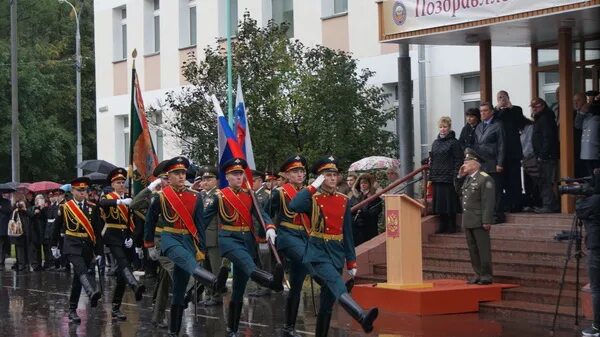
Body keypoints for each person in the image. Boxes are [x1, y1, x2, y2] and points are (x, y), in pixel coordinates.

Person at [289, 155, 378, 336]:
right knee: (337, 283)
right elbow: (294, 205)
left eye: (334, 175)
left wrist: (351, 261)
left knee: (327, 303)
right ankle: (361, 315)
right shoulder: (312, 198)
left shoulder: (343, 199)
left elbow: (347, 232)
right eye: (327, 175)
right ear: (321, 177)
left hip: (336, 252)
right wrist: (313, 186)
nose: (331, 178)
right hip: (318, 252)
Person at [203, 157, 284, 337]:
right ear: (227, 176)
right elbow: (204, 219)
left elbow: (261, 214)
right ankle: (272, 281)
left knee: (239, 288)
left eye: (240, 174)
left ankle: (232, 329)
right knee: (249, 266)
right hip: (229, 239)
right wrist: (194, 239)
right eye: (234, 174)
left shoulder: (250, 195)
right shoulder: (220, 196)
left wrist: (269, 227)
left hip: (247, 239)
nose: (238, 177)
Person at [145, 156, 220, 337]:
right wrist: (149, 245)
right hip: (169, 238)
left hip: (188, 240)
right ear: (168, 176)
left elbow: (200, 224)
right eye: (176, 173)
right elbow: (150, 222)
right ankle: (211, 280)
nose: (180, 176)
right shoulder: (160, 197)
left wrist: (201, 248)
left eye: (183, 173)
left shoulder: (195, 197)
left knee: (178, 291)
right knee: (184, 260)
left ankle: (173, 331)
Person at [269, 155, 312, 336]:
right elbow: (265, 213)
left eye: (301, 170)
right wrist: (270, 227)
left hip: (305, 236)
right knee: (305, 260)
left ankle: (289, 326)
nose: (300, 174)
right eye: (295, 171)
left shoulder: (310, 193)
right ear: (287, 174)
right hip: (287, 235)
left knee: (296, 285)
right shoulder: (280, 192)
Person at [51, 177, 103, 323]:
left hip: (87, 246)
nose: (82, 193)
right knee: (80, 270)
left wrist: (98, 251)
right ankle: (91, 292)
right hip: (71, 244)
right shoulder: (65, 207)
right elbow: (56, 228)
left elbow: (97, 231)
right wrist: (54, 246)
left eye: (84, 190)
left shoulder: (93, 207)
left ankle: (72, 310)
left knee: (78, 279)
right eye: (79, 190)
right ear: (72, 191)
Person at [98, 167, 146, 320]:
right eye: (118, 182)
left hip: (126, 236)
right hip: (112, 235)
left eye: (123, 182)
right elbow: (103, 203)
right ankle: (134, 285)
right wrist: (119, 201)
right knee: (122, 261)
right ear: (112, 184)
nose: (121, 185)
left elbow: (136, 221)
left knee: (120, 275)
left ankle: (116, 308)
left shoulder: (130, 198)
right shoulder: (109, 197)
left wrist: (132, 236)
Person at [456, 148, 495, 285]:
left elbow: (488, 202)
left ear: (475, 164)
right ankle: (478, 273)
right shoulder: (467, 179)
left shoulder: (485, 178)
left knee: (482, 249)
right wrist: (459, 176)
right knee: (473, 249)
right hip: (468, 220)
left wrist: (486, 220)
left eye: (467, 162)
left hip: (479, 220)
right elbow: (457, 192)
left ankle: (486, 275)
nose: (464, 165)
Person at [199, 165, 229, 307]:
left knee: (216, 267)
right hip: (202, 238)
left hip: (215, 239)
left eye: (209, 179)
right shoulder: (201, 196)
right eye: (203, 179)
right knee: (205, 269)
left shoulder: (219, 196)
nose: (205, 182)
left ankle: (217, 295)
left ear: (216, 180)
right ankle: (208, 293)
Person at [495, 90, 528, 213]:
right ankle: (506, 204)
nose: (501, 99)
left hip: (513, 150)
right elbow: (493, 122)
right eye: (499, 98)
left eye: (503, 97)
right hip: (500, 152)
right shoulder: (496, 112)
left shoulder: (516, 109)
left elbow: (520, 123)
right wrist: (498, 108)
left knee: (514, 179)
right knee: (502, 179)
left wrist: (510, 106)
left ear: (508, 98)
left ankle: (517, 204)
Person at [430, 116, 463, 234]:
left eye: (445, 127)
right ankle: (442, 225)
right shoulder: (435, 142)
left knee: (450, 203)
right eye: (440, 127)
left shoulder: (454, 142)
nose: (442, 129)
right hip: (437, 176)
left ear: (449, 127)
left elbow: (458, 159)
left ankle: (452, 226)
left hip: (449, 177)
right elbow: (433, 157)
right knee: (440, 204)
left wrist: (456, 175)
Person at [474, 102, 506, 223]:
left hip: (493, 162)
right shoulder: (479, 126)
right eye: (481, 111)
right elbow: (476, 144)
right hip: (482, 163)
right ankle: (487, 215)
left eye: (485, 111)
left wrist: (500, 163)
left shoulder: (498, 125)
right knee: (484, 191)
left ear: (491, 111)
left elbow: (502, 145)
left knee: (495, 191)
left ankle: (497, 215)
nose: (483, 113)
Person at [530, 97, 560, 213]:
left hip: (546, 157)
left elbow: (548, 138)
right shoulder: (541, 118)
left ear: (542, 106)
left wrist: (542, 155)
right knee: (544, 181)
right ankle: (550, 204)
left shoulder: (545, 118)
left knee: (546, 181)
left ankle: (549, 205)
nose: (534, 109)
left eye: (536, 106)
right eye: (532, 107)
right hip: (543, 155)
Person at [350, 173, 382, 244]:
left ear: (370, 184)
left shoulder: (375, 198)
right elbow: (349, 209)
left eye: (365, 183)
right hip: (356, 229)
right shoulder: (355, 196)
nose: (363, 185)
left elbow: (375, 212)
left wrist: (361, 211)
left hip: (369, 229)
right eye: (361, 183)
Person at [575, 93, 600, 176]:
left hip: (595, 152)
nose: (575, 103)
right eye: (574, 101)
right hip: (584, 153)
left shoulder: (595, 112)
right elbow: (577, 125)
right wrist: (581, 112)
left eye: (578, 100)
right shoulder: (579, 114)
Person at [27, 194, 46, 271]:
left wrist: (42, 209)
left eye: (41, 199)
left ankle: (40, 263)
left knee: (40, 248)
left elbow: (45, 218)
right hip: (34, 231)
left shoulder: (45, 209)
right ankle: (35, 264)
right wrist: (35, 212)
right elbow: (30, 215)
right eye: (37, 200)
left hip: (42, 230)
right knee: (34, 248)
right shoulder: (31, 208)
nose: (39, 201)